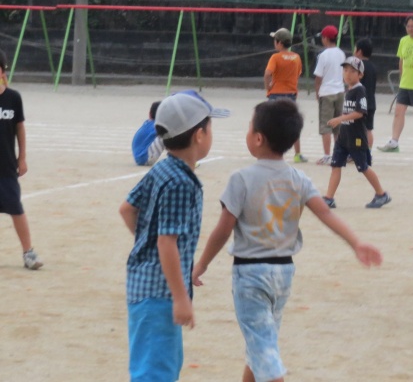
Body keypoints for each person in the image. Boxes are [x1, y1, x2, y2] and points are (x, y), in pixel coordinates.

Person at [191, 99, 382, 382]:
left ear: (258, 138)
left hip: (250, 274)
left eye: (249, 127)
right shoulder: (298, 178)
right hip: (283, 272)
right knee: (261, 344)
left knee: (263, 347)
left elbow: (223, 229)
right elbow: (326, 213)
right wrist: (356, 242)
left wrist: (202, 264)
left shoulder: (241, 179)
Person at [119, 90, 230, 382]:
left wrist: (146, 245)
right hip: (161, 295)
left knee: (158, 367)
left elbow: (127, 209)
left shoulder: (163, 169)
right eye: (209, 127)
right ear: (199, 135)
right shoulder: (182, 183)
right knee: (155, 373)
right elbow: (166, 242)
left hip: (143, 287)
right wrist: (180, 298)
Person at [322, 56, 391, 209]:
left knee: (363, 167)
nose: (348, 74)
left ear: (360, 75)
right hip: (344, 137)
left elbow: (360, 112)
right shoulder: (349, 90)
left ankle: (381, 194)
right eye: (345, 70)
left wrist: (340, 119)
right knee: (336, 165)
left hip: (356, 138)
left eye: (353, 71)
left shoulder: (360, 90)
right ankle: (329, 198)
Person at [0, 50, 42, 270]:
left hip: (6, 166)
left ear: (2, 71)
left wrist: (22, 157)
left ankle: (28, 253)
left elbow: (20, 128)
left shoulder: (13, 98)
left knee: (16, 208)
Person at [378, 15, 413, 154]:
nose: (410, 29)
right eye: (408, 26)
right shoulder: (403, 40)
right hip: (405, 84)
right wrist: (401, 77)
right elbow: (401, 60)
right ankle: (394, 142)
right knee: (398, 112)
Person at [264, 27, 307, 163]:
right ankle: (297, 154)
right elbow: (298, 74)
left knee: (272, 124)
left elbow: (267, 74)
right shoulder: (296, 57)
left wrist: (268, 87)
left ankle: (269, 153)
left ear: (279, 43)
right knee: (292, 124)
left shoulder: (275, 57)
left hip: (275, 94)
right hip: (290, 94)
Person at [313, 25, 346, 165]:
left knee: (326, 125)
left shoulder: (323, 55)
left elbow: (318, 77)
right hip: (340, 91)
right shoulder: (341, 53)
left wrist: (317, 92)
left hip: (326, 92)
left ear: (326, 38)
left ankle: (327, 156)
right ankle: (338, 154)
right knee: (337, 125)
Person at [354, 38, 377, 149]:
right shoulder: (373, 67)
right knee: (368, 129)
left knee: (357, 130)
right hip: (371, 102)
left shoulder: (358, 66)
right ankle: (368, 152)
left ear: (359, 51)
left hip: (360, 103)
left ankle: (358, 151)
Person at [131, 101, 165, 166]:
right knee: (167, 133)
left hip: (139, 157)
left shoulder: (147, 124)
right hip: (145, 158)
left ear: (149, 114)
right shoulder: (156, 125)